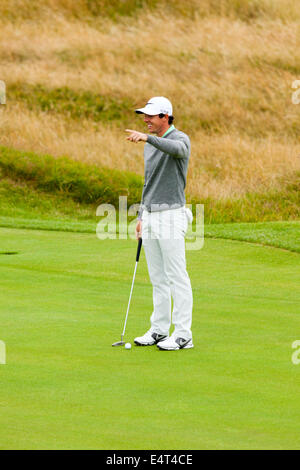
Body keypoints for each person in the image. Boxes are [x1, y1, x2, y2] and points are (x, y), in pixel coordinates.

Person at [125, 96, 193, 351]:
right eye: (145, 116)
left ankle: (184, 334)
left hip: (172, 215)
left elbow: (178, 151)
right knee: (157, 276)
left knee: (177, 275)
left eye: (151, 116)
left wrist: (148, 138)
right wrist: (142, 216)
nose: (145, 121)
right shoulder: (149, 144)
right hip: (151, 215)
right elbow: (148, 182)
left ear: (165, 117)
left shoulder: (180, 138)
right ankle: (159, 329)